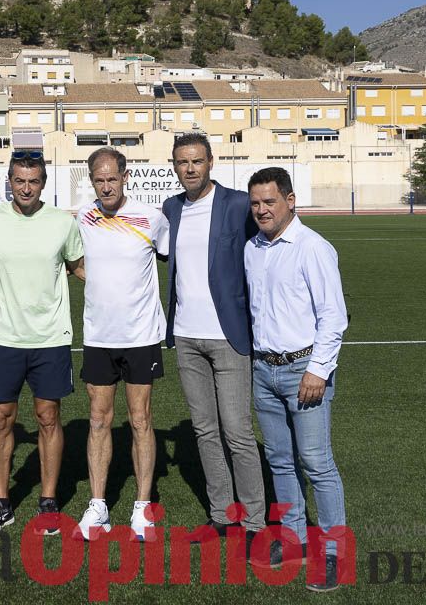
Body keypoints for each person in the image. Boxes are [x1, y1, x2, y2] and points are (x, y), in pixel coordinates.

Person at [245, 167, 348, 593]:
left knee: (317, 463)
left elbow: (334, 317)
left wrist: (317, 371)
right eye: (255, 204)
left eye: (270, 201)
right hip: (263, 369)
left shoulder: (313, 248)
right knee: (280, 461)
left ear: (290, 200)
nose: (262, 210)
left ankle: (333, 554)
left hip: (303, 371)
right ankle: (293, 539)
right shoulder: (252, 248)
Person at [0, 150, 84, 535]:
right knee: (1, 418)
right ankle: (2, 502)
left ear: (44, 184)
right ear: (9, 181)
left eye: (33, 181)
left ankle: (48, 501)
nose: (26, 188)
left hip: (50, 337)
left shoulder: (62, 223)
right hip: (2, 336)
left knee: (48, 416)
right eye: (19, 180)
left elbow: (77, 266)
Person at [162, 133, 267, 546]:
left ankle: (256, 522)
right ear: (174, 166)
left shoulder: (238, 204)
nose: (190, 168)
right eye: (182, 162)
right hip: (186, 337)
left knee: (238, 433)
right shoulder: (171, 208)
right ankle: (221, 515)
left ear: (211, 162)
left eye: (196, 161)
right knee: (205, 431)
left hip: (228, 336)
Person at [71, 148, 170, 542]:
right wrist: (97, 286)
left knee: (141, 419)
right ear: (91, 180)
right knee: (98, 419)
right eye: (100, 179)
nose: (107, 185)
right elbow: (71, 261)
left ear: (125, 176)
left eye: (113, 178)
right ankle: (98, 506)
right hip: (98, 336)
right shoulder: (83, 217)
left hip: (141, 336)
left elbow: (171, 259)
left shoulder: (152, 218)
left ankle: (142, 508)